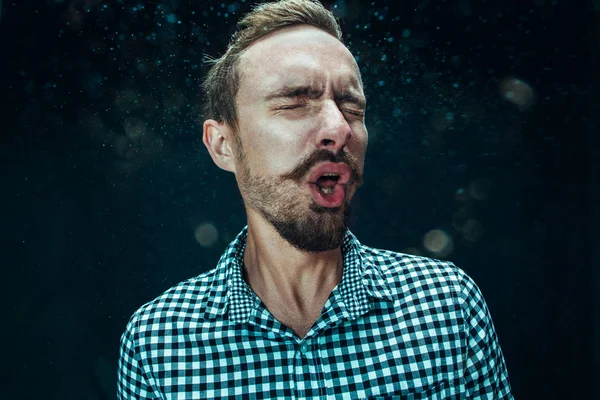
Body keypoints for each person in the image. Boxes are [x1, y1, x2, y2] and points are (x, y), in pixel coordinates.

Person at [117, 0, 514, 398]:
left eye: (351, 107)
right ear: (223, 145)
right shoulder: (157, 344)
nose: (338, 128)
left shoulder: (447, 309)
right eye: (294, 102)